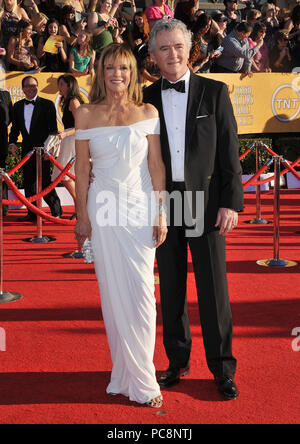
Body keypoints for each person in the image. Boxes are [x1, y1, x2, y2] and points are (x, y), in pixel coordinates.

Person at [144, 19, 244, 400]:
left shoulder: (215, 93)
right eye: (164, 48)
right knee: (170, 287)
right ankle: (177, 362)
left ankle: (222, 368)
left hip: (205, 203)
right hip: (164, 205)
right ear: (153, 56)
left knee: (214, 289)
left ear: (191, 49)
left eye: (178, 46)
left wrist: (230, 202)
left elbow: (229, 151)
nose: (173, 54)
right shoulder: (147, 98)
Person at [74, 43, 167, 408]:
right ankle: (128, 376)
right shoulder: (84, 114)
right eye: (111, 68)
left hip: (140, 208)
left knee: (144, 296)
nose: (117, 75)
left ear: (133, 74)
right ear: (101, 72)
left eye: (124, 68)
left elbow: (156, 166)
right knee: (113, 296)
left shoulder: (147, 111)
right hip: (103, 210)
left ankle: (142, 373)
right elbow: (82, 170)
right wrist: (81, 216)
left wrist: (163, 212)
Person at [9, 75, 62, 222]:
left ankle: (56, 211)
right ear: (23, 89)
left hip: (43, 150)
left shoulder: (47, 104)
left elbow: (53, 130)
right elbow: (15, 128)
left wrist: (49, 150)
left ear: (37, 87)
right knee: (29, 181)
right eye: (28, 86)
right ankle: (32, 213)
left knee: (45, 181)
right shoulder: (18, 106)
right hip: (27, 149)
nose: (32, 88)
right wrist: (12, 142)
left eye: (34, 85)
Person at [52, 74, 84, 215]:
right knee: (67, 175)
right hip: (69, 139)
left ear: (69, 86)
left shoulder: (73, 101)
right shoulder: (68, 101)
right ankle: (80, 208)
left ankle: (80, 206)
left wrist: (65, 134)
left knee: (63, 175)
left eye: (61, 84)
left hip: (73, 140)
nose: (59, 87)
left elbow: (81, 125)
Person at [0, 88, 13, 216]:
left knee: (1, 174)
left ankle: (3, 207)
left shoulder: (4, 94)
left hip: (1, 140)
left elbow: (9, 117)